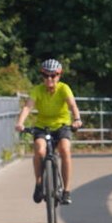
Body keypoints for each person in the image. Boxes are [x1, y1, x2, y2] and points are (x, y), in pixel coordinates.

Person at [14, 58, 83, 205]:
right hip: (42, 126)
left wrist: (77, 119)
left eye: (53, 75)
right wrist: (20, 123)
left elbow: (72, 105)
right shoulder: (37, 90)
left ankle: (66, 191)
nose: (49, 79)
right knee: (39, 151)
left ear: (59, 76)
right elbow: (28, 107)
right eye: (46, 76)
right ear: (42, 76)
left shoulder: (64, 88)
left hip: (61, 125)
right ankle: (39, 184)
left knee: (65, 149)